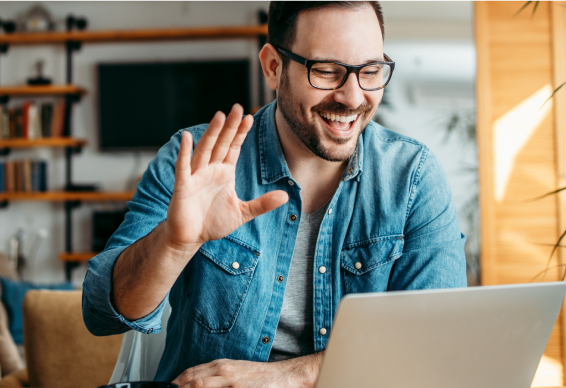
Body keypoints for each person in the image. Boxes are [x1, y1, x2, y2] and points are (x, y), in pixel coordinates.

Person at [82, 0, 467, 386]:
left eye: (369, 71)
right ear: (272, 67)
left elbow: (437, 343)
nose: (353, 97)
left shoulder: (413, 177)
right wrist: (174, 243)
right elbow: (99, 314)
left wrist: (288, 377)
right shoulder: (196, 160)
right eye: (327, 71)